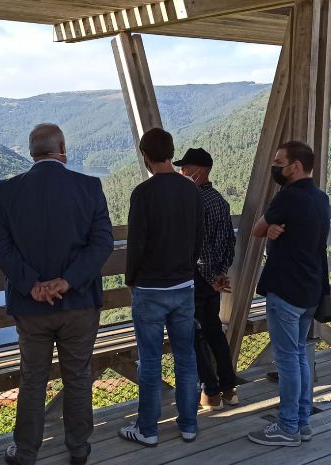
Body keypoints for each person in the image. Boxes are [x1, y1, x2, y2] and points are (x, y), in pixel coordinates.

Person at [0, 123, 113, 465]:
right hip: (79, 304)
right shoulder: (88, 187)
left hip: (30, 308)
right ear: (62, 148)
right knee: (77, 377)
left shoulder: (6, 191)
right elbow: (102, 242)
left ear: (32, 152)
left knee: (32, 379)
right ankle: (78, 448)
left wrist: (31, 284)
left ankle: (26, 451)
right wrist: (67, 281)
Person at [119, 127, 203, 446]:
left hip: (150, 290)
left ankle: (148, 429)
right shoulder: (192, 191)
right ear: (170, 152)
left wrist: (131, 280)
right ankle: (189, 424)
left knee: (151, 360)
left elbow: (136, 245)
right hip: (183, 287)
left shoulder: (143, 194)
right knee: (185, 357)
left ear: (145, 157)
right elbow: (198, 239)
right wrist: (186, 269)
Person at [247, 141, 331, 447]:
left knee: (287, 361)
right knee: (299, 357)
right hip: (310, 289)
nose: (275, 167)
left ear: (295, 166)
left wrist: (268, 229)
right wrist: (273, 230)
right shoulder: (320, 199)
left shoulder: (288, 197)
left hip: (286, 289)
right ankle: (302, 421)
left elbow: (257, 228)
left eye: (279, 162)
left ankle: (287, 426)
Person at [173, 148, 238, 411]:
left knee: (194, 335)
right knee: (214, 331)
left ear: (197, 172)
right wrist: (221, 273)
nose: (180, 172)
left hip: (198, 278)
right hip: (214, 278)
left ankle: (210, 391)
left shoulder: (193, 201)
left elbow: (198, 246)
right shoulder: (220, 201)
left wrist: (211, 277)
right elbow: (228, 242)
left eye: (184, 169)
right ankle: (230, 388)